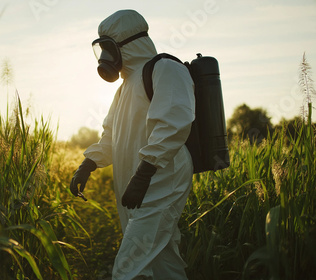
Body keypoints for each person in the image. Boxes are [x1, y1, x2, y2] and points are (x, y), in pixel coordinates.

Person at [69, 10, 195, 279]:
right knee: (163, 262)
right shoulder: (124, 87)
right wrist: (88, 164)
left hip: (163, 180)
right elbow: (111, 137)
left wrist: (144, 173)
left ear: (128, 44)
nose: (105, 57)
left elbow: (174, 124)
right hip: (137, 183)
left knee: (128, 266)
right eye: (101, 49)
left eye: (109, 48)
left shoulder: (165, 68)